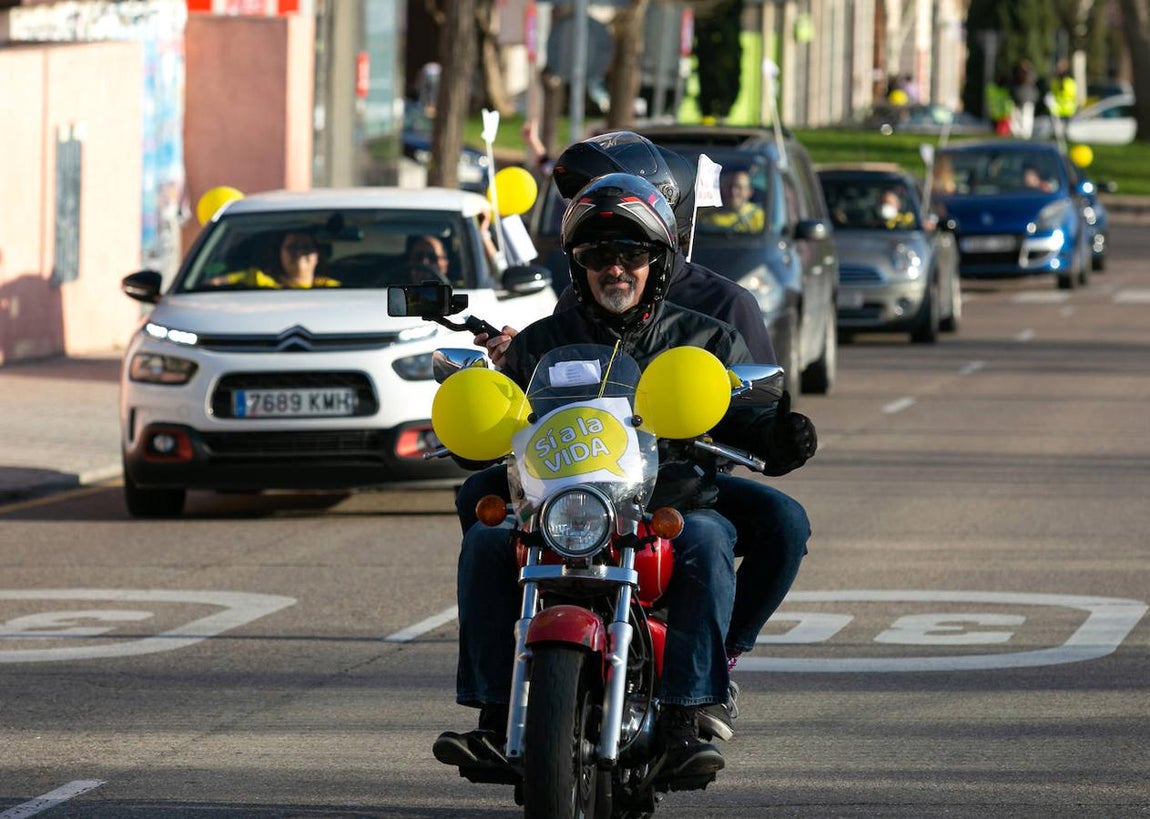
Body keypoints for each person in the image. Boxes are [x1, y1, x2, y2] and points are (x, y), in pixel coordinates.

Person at [432, 173, 817, 781]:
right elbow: (506, 422)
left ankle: (687, 715)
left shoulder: (705, 338)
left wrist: (779, 435)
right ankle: (494, 714)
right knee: (484, 538)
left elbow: (749, 419)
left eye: (632, 254)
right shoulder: (539, 344)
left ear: (656, 262)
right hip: (562, 507)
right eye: (597, 256)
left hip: (669, 502)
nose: (615, 269)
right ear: (578, 265)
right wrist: (471, 434)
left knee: (709, 538)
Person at [206, 231, 339, 289]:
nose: (299, 253)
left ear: (318, 256)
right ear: (280, 253)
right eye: (292, 247)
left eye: (306, 247)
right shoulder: (256, 278)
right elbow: (214, 284)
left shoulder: (329, 287)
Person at [699, 169, 765, 233]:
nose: (733, 192)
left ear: (749, 192)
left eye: (739, 187)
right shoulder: (704, 216)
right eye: (728, 186)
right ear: (721, 189)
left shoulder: (761, 219)